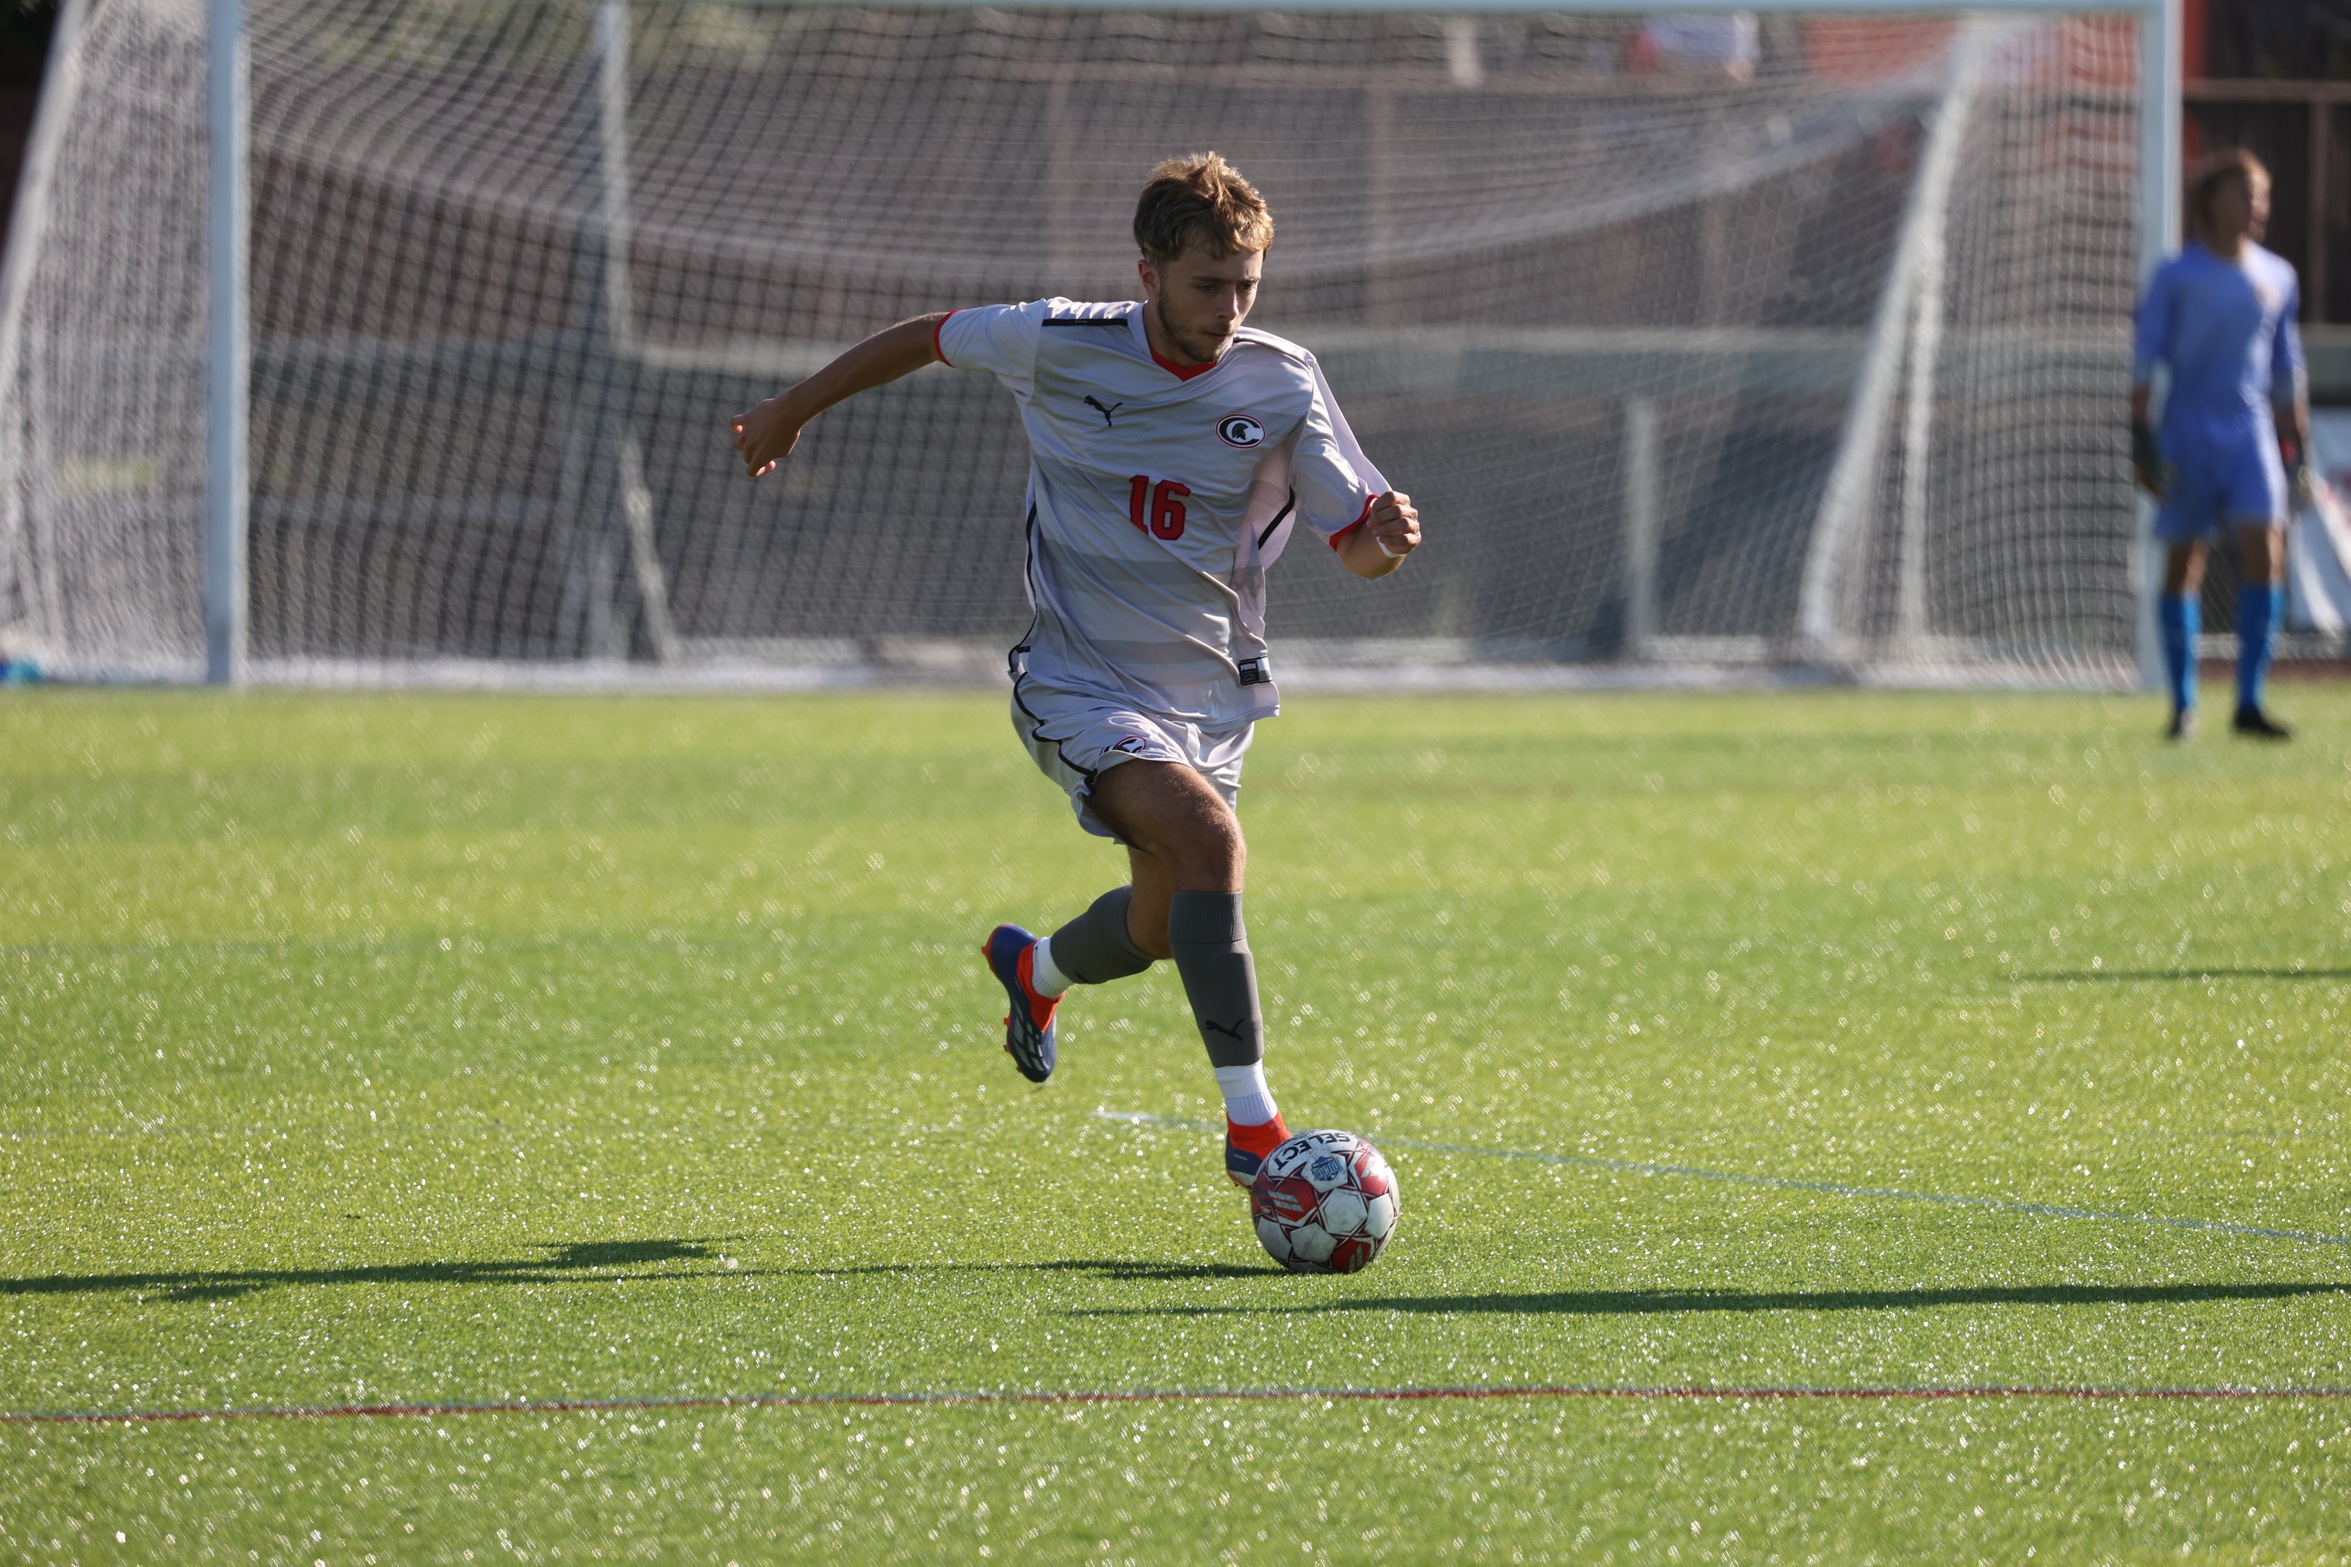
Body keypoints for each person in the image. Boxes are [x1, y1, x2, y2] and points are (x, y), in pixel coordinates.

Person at [729, 153, 1421, 1187]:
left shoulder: (1281, 379)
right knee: (1208, 842)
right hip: (1076, 681)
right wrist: (794, 405)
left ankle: (1033, 966)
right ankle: (1255, 1133)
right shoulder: (1058, 339)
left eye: (1246, 285)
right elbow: (927, 335)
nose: (1228, 307)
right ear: (1145, 273)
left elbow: (1355, 548)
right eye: (1206, 285)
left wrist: (1388, 540)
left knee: (1159, 920)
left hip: (1208, 702)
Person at [2131, 147, 2313, 741]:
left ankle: (2249, 702)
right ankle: (2183, 704)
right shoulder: (2176, 276)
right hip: (2186, 429)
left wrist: (2300, 451)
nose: (2257, 206)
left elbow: (2287, 369)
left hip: (2252, 430)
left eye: (2261, 195)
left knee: (2267, 548)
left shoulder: (2277, 276)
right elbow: (2144, 362)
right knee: (2186, 561)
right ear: (2211, 200)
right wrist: (2141, 440)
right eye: (2245, 193)